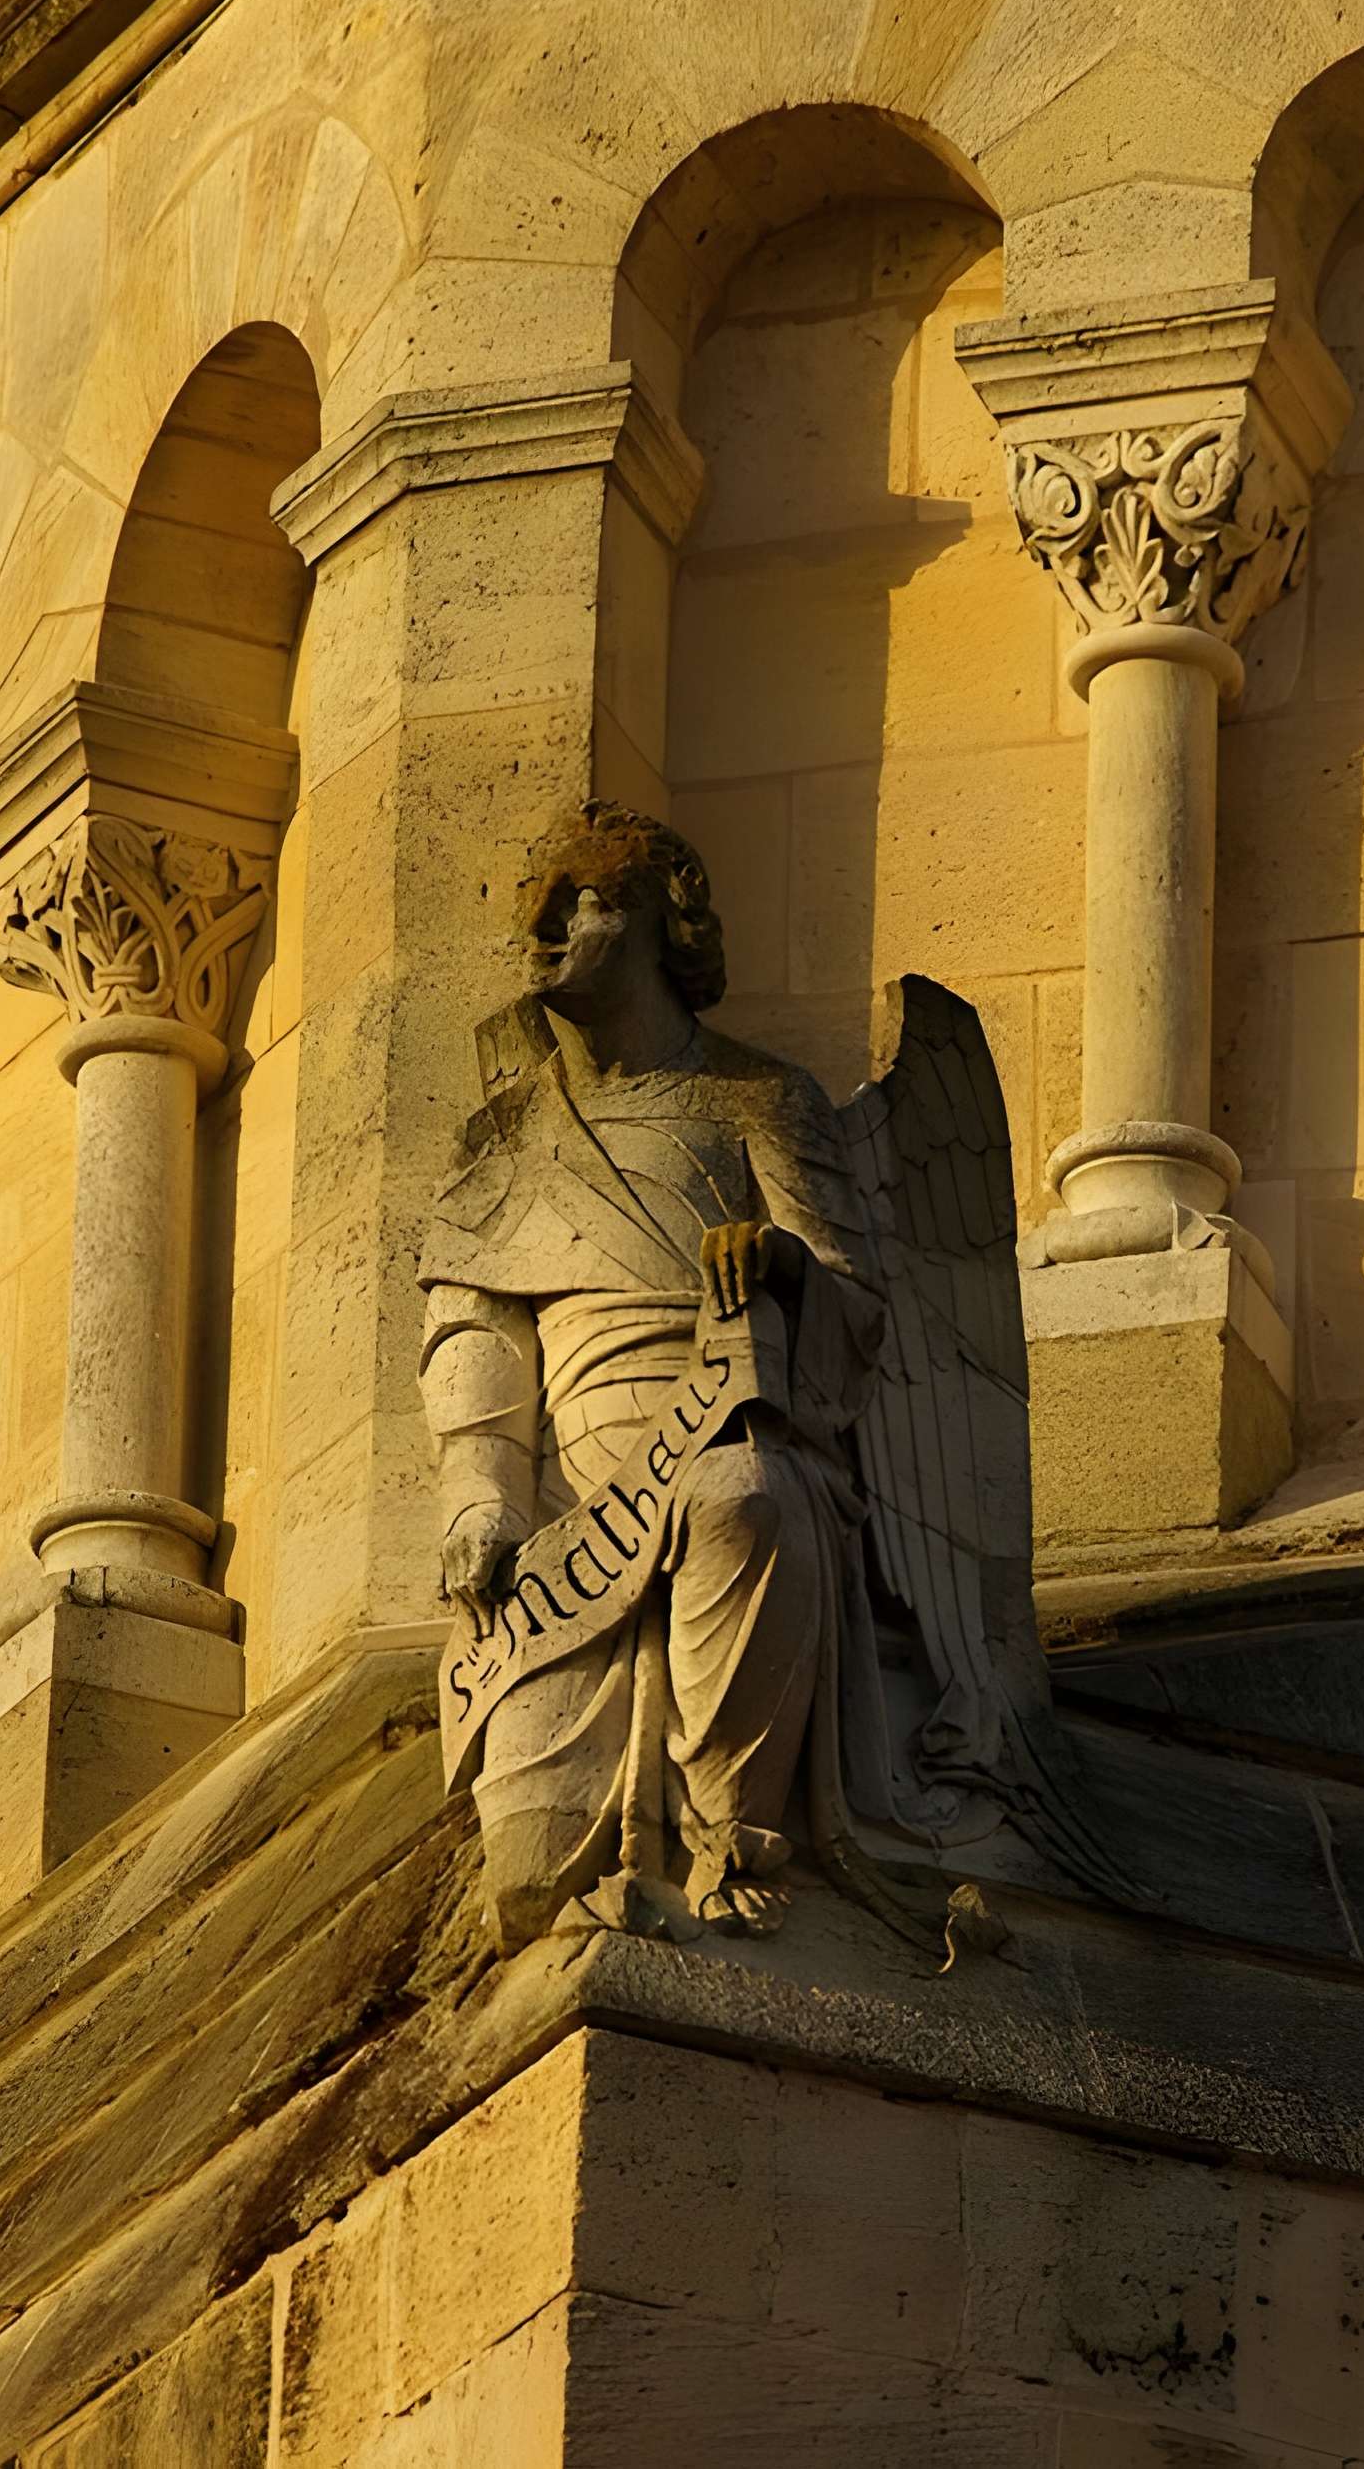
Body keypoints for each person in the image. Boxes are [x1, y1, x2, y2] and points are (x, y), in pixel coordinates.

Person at [418, 799, 893, 1945]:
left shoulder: (758, 1100)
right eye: (531, 906)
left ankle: (732, 1842)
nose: (540, 930)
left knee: (745, 1500)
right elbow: (476, 1338)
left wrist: (779, 1266)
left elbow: (856, 1305)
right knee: (528, 1882)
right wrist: (480, 1501)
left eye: (577, 901)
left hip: (724, 1431)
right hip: (571, 1514)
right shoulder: (500, 1140)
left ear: (657, 924)